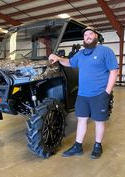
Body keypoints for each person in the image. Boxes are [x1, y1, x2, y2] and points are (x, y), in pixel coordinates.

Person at [48, 26, 119, 159]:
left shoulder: (105, 51)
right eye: (86, 35)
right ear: (84, 38)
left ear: (96, 36)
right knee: (81, 120)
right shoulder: (80, 54)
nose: (88, 36)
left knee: (99, 121)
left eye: (91, 34)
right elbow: (69, 62)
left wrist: (107, 92)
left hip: (99, 94)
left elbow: (114, 71)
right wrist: (58, 58)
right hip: (82, 94)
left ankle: (98, 145)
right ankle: (78, 146)